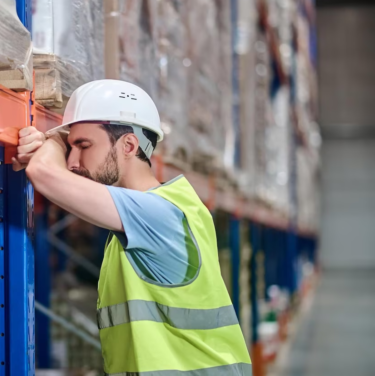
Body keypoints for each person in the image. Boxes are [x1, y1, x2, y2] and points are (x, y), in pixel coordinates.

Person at [14, 79, 252, 375]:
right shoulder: (148, 215)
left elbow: (43, 173)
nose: (72, 162)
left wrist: (51, 140)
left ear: (128, 145)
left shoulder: (157, 215)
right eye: (71, 147)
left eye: (83, 145)